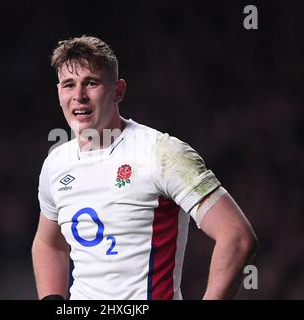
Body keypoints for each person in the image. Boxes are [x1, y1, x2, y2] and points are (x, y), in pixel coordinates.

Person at [32, 35, 258, 300]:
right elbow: (49, 243)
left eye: (91, 83)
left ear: (118, 90)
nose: (78, 96)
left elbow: (237, 236)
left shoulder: (161, 154)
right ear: (59, 92)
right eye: (69, 85)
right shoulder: (56, 164)